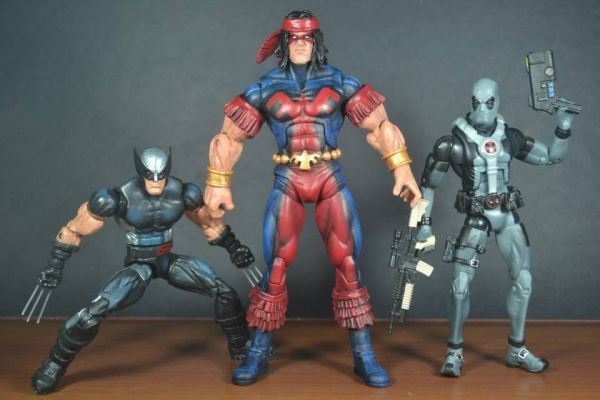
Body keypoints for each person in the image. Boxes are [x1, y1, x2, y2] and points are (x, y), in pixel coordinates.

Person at [203, 10, 421, 387]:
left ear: (316, 42)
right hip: (288, 177)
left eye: (307, 38)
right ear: (284, 43)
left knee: (348, 263)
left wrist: (401, 168)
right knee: (275, 266)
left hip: (328, 176)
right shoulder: (266, 86)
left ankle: (364, 355)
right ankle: (258, 353)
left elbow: (381, 125)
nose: (301, 44)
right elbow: (229, 137)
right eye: (294, 38)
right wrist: (218, 182)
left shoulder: (339, 81)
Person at [29, 148, 254, 394]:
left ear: (168, 170)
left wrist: (233, 247)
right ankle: (55, 364)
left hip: (168, 261)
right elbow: (74, 230)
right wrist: (55, 265)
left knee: (224, 292)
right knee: (91, 314)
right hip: (140, 266)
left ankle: (241, 345)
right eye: (150, 175)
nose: (156, 181)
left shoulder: (182, 193)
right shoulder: (117, 197)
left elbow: (209, 223)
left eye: (161, 175)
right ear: (140, 171)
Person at [416, 78, 576, 377]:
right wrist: (424, 225)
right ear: (471, 101)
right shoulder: (452, 144)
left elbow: (551, 156)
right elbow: (427, 186)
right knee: (460, 286)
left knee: (524, 280)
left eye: (489, 102)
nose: (483, 108)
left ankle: (517, 349)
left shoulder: (510, 138)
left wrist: (563, 127)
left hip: (507, 215)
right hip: (476, 217)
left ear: (497, 102)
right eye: (477, 102)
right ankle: (454, 352)